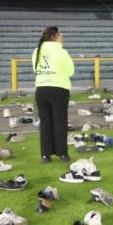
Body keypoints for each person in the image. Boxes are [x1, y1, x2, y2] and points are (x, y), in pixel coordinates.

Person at [32, 26, 74, 163]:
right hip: (58, 89)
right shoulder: (61, 52)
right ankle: (62, 154)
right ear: (55, 36)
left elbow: (35, 69)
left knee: (45, 123)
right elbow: (70, 71)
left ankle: (45, 155)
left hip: (41, 89)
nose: (63, 37)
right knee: (60, 122)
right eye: (61, 35)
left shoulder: (36, 51)